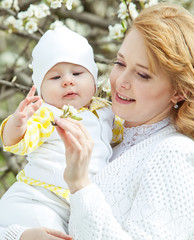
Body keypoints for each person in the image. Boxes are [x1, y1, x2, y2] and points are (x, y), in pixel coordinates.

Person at [0, 2, 194, 240]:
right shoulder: (111, 135)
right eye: (120, 63)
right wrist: (20, 235)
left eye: (142, 74)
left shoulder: (175, 157)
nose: (120, 81)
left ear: (180, 91)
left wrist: (80, 185)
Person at [0, 27, 122, 234]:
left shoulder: (106, 111)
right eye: (55, 78)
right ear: (41, 89)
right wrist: (18, 124)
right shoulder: (48, 113)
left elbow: (123, 136)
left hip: (72, 203)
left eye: (77, 73)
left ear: (93, 80)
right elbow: (17, 143)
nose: (68, 81)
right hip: (38, 200)